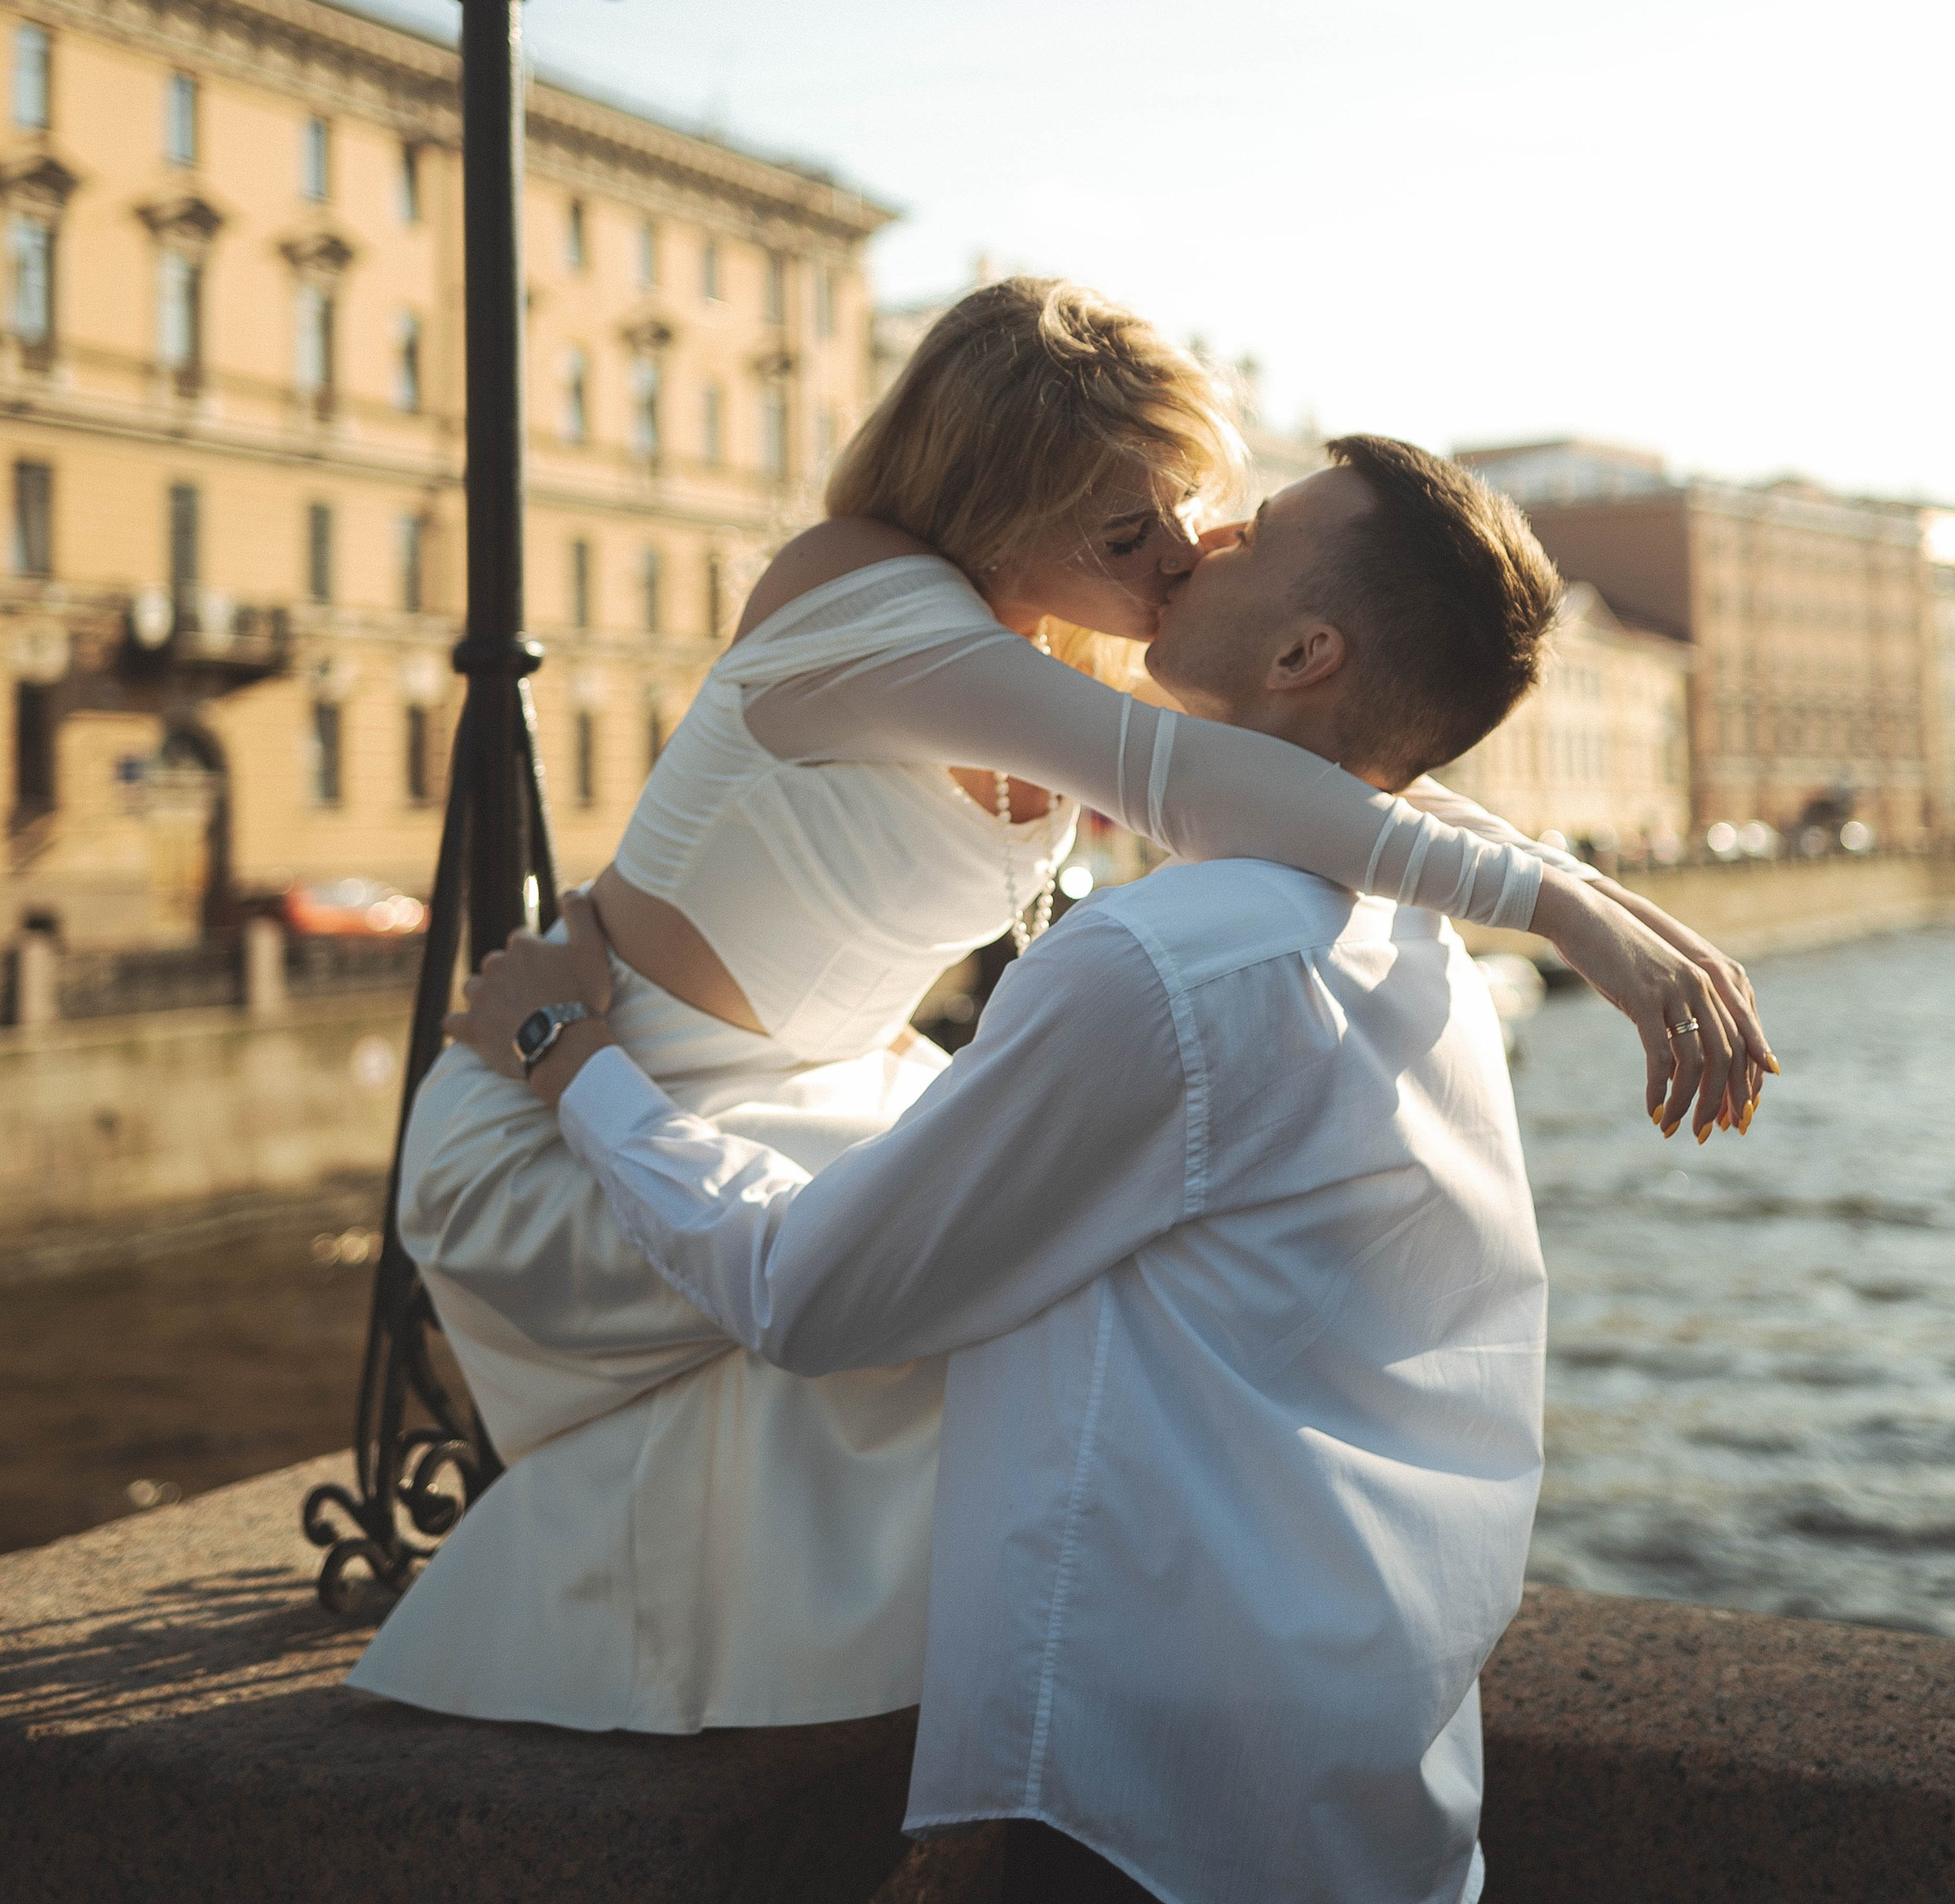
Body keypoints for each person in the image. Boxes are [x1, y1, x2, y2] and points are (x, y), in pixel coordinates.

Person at [459, 440, 1749, 1904]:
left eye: (1256, 529)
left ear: (1303, 655)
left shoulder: (1160, 968)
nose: (1206, 532)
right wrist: (1584, 905)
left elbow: (806, 1289)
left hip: (1174, 1847)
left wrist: (578, 1066)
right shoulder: (1402, 942)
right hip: (1386, 1812)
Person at [351, 281, 1764, 1735]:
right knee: (1037, 1291)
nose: (1182, 556)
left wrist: (1623, 912)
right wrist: (1575, 915)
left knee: (1079, 1279)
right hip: (567, 1130)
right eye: (1125, 533)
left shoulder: (1060, 640)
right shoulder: (866, 600)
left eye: (1194, 511)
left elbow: (1345, 783)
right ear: (991, 504)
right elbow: (1215, 789)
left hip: (799, 1106)